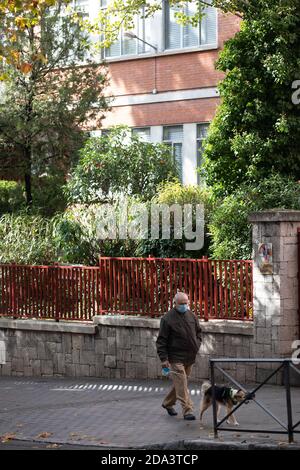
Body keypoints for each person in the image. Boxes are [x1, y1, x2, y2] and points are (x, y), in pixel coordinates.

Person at [156, 291, 202, 420]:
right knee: (182, 383)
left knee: (180, 383)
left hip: (190, 356)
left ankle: (167, 403)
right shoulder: (167, 319)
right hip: (175, 357)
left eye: (186, 303)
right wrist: (164, 359)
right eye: (181, 303)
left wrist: (197, 345)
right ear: (175, 303)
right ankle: (188, 410)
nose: (184, 305)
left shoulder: (192, 316)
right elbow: (161, 340)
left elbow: (199, 332)